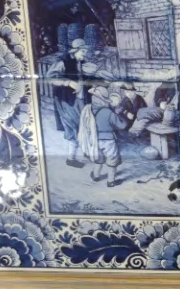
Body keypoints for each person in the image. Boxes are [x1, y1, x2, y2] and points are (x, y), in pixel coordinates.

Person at [47, 38, 107, 168]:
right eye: (83, 51)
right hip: (67, 101)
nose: (85, 53)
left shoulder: (83, 64)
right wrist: (68, 82)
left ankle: (86, 151)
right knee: (73, 127)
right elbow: (50, 77)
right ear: (75, 51)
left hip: (82, 100)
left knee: (85, 125)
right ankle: (71, 158)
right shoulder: (63, 63)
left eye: (85, 51)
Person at [129, 63, 180, 160]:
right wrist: (161, 101)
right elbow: (159, 92)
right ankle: (133, 134)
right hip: (165, 111)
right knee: (143, 111)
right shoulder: (172, 81)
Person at [80, 88, 129, 187]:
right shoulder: (108, 112)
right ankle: (111, 181)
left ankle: (96, 176)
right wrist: (120, 115)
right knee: (112, 159)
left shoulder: (88, 109)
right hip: (108, 140)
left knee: (99, 158)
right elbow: (122, 125)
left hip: (94, 139)